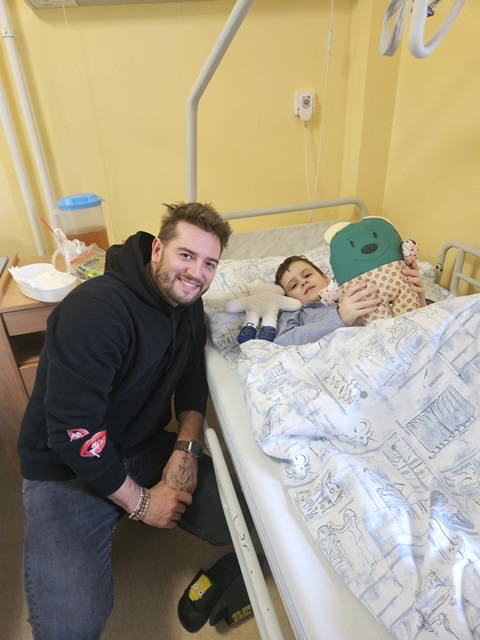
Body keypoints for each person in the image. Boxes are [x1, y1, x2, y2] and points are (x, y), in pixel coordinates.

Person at [18, 202, 250, 640]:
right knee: (69, 629)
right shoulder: (97, 311)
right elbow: (73, 434)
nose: (196, 273)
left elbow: (192, 378)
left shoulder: (187, 304)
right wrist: (142, 503)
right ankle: (118, 507)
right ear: (158, 249)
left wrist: (186, 448)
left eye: (209, 263)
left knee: (239, 519)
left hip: (139, 445)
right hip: (65, 470)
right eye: (186, 255)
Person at [274, 255, 426, 346]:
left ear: (325, 278)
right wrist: (339, 318)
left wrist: (417, 298)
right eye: (293, 286)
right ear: (289, 299)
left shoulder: (354, 287)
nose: (303, 282)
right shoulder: (296, 314)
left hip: (400, 337)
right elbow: (283, 341)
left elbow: (399, 310)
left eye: (307, 275)